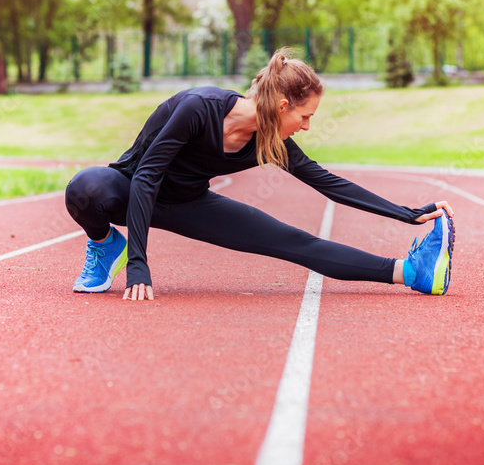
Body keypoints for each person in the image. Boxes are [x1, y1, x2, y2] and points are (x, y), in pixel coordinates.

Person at [64, 48, 455, 302]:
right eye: (304, 117)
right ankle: (104, 244)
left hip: (187, 204)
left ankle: (409, 271)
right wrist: (138, 260)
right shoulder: (198, 107)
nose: (306, 127)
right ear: (283, 105)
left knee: (295, 242)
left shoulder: (271, 141)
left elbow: (329, 184)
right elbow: (148, 175)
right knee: (86, 188)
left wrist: (406, 214)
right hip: (132, 190)